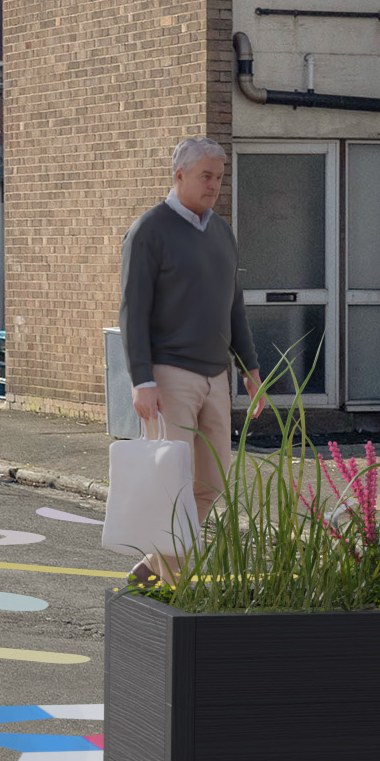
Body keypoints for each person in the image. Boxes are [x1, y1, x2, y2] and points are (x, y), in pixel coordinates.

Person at [120, 136, 265, 556]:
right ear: (179, 175)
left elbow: (233, 306)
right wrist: (141, 380)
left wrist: (251, 370)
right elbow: (133, 311)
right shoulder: (149, 231)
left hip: (215, 376)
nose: (214, 185)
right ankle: (172, 578)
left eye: (219, 177)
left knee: (211, 482)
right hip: (169, 376)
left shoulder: (222, 233)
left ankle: (157, 566)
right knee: (172, 483)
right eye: (206, 176)